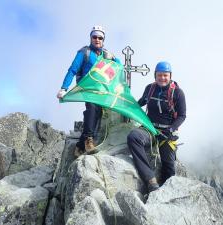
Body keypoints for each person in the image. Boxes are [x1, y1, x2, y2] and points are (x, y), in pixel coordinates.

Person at [57, 25, 120, 156]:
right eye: (94, 37)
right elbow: (72, 70)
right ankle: (88, 141)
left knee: (96, 114)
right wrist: (64, 88)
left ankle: (79, 146)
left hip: (101, 90)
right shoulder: (84, 52)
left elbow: (119, 67)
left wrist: (114, 58)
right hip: (87, 88)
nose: (97, 40)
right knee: (92, 108)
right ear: (91, 38)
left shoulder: (106, 55)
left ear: (103, 40)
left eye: (100, 38)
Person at [127, 61, 186, 193]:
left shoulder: (177, 93)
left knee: (169, 168)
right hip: (150, 128)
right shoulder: (150, 89)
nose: (162, 78)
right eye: (159, 75)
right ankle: (150, 180)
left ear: (170, 76)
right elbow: (141, 102)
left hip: (167, 133)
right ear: (155, 75)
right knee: (134, 137)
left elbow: (182, 115)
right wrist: (127, 106)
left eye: (165, 75)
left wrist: (171, 129)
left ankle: (165, 194)